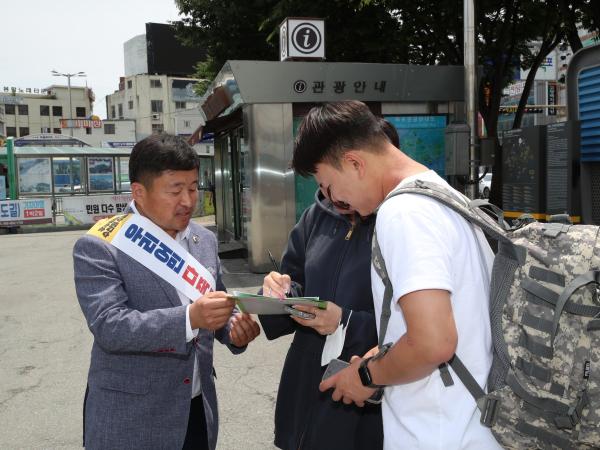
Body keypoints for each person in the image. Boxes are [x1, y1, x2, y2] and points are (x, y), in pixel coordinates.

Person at [292, 101, 501, 449]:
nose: (336, 202)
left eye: (330, 188)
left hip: (440, 433)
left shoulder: (405, 213)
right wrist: (377, 358)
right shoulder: (443, 196)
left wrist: (366, 375)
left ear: (355, 163)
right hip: (468, 424)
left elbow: (433, 342)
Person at [73, 134, 260, 450]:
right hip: (131, 420)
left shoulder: (204, 240)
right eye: (175, 190)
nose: (188, 201)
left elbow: (219, 299)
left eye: (193, 188)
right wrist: (190, 318)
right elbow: (111, 326)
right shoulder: (101, 246)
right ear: (139, 192)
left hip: (196, 410)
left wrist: (234, 328)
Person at [257, 117, 398, 450]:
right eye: (322, 186)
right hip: (307, 380)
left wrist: (345, 322)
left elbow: (415, 329)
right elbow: (296, 281)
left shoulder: (399, 224)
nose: (330, 196)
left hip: (364, 389)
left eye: (331, 184)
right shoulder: (315, 216)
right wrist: (279, 293)